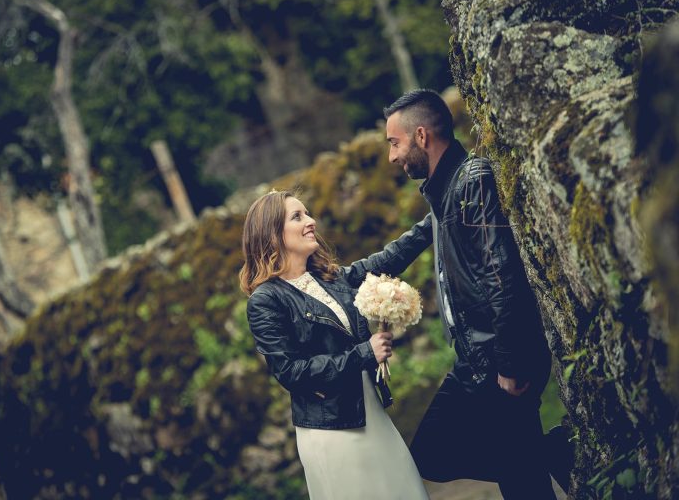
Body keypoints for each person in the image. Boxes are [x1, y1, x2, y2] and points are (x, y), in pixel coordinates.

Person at [383, 89, 569, 499]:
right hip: (476, 360)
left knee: (514, 482)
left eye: (394, 143)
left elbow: (501, 275)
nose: (392, 156)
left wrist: (509, 362)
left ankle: (550, 453)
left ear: (421, 136)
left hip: (497, 359)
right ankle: (551, 453)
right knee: (474, 465)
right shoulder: (444, 192)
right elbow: (404, 248)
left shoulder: (471, 181)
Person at [240, 190, 430, 500]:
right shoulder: (266, 300)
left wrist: (436, 217)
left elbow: (388, 259)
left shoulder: (331, 278)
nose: (311, 221)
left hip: (371, 412)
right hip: (332, 431)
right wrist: (365, 353)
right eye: (297, 217)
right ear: (272, 234)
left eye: (307, 213)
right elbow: (291, 372)